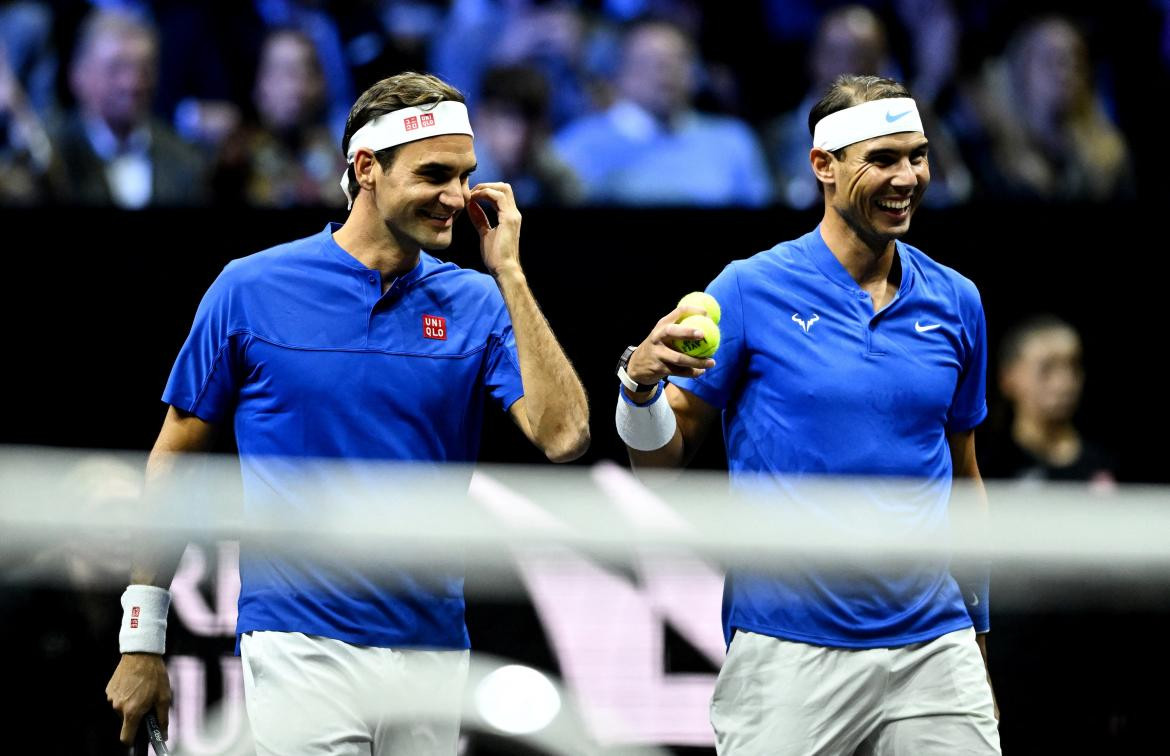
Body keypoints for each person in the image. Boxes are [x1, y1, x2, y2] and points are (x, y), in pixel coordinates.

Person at [105, 71, 590, 755]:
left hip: (433, 648)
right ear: (367, 169)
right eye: (434, 175)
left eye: (465, 175)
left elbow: (564, 434)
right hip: (299, 642)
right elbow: (175, 460)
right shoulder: (248, 289)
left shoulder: (479, 303)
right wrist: (141, 637)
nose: (456, 197)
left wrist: (509, 272)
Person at [613, 74, 999, 754]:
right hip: (789, 651)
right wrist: (638, 390)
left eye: (917, 155)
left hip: (935, 647)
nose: (907, 177)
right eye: (883, 159)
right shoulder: (748, 289)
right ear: (824, 166)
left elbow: (962, 470)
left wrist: (977, 630)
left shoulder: (958, 300)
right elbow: (660, 465)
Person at [52, 8, 208, 208]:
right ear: (78, 75)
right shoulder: (52, 155)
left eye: (145, 68)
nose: (132, 83)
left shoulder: (186, 159)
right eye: (116, 68)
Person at [980, 314, 1116, 486]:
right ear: (1008, 378)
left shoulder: (1107, 464)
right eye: (1046, 369)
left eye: (1074, 366)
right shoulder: (987, 470)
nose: (1064, 383)